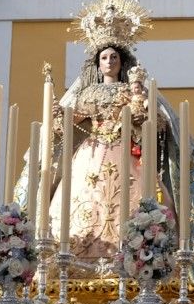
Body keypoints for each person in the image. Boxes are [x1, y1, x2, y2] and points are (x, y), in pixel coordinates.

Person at [54, 41, 150, 263]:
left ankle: (131, 251)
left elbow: (152, 121)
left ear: (122, 62)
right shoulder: (89, 93)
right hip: (93, 150)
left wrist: (141, 118)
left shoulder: (131, 90)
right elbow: (71, 121)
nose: (109, 61)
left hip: (124, 149)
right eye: (104, 58)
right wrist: (60, 114)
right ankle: (82, 251)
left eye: (114, 57)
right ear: (97, 65)